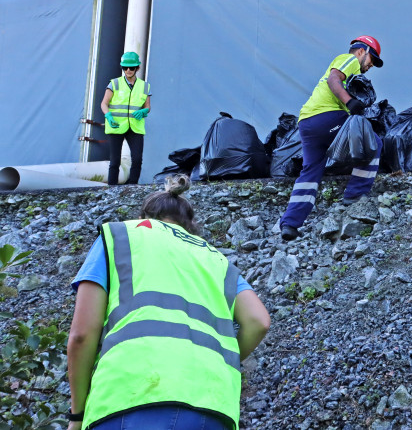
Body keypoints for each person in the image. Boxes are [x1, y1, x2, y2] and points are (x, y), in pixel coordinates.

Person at [66, 175, 270, 430]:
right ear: (190, 224)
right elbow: (259, 322)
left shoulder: (121, 236)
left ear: (145, 216)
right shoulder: (216, 259)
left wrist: (76, 416)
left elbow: (82, 335)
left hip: (130, 397)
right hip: (213, 407)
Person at [280, 36, 384, 241]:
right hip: (326, 116)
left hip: (307, 122)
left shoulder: (354, 73)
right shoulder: (349, 60)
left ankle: (290, 224)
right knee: (373, 142)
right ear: (361, 51)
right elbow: (333, 79)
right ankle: (355, 194)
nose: (371, 65)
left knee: (311, 170)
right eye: (372, 58)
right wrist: (350, 102)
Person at [100, 51, 150, 185]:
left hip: (135, 126)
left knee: (137, 158)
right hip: (116, 125)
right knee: (115, 160)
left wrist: (144, 111)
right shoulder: (114, 84)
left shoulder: (145, 86)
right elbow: (104, 103)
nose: (128, 70)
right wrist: (108, 115)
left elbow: (148, 106)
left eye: (131, 68)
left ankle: (132, 186)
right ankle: (112, 188)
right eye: (125, 68)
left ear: (137, 68)